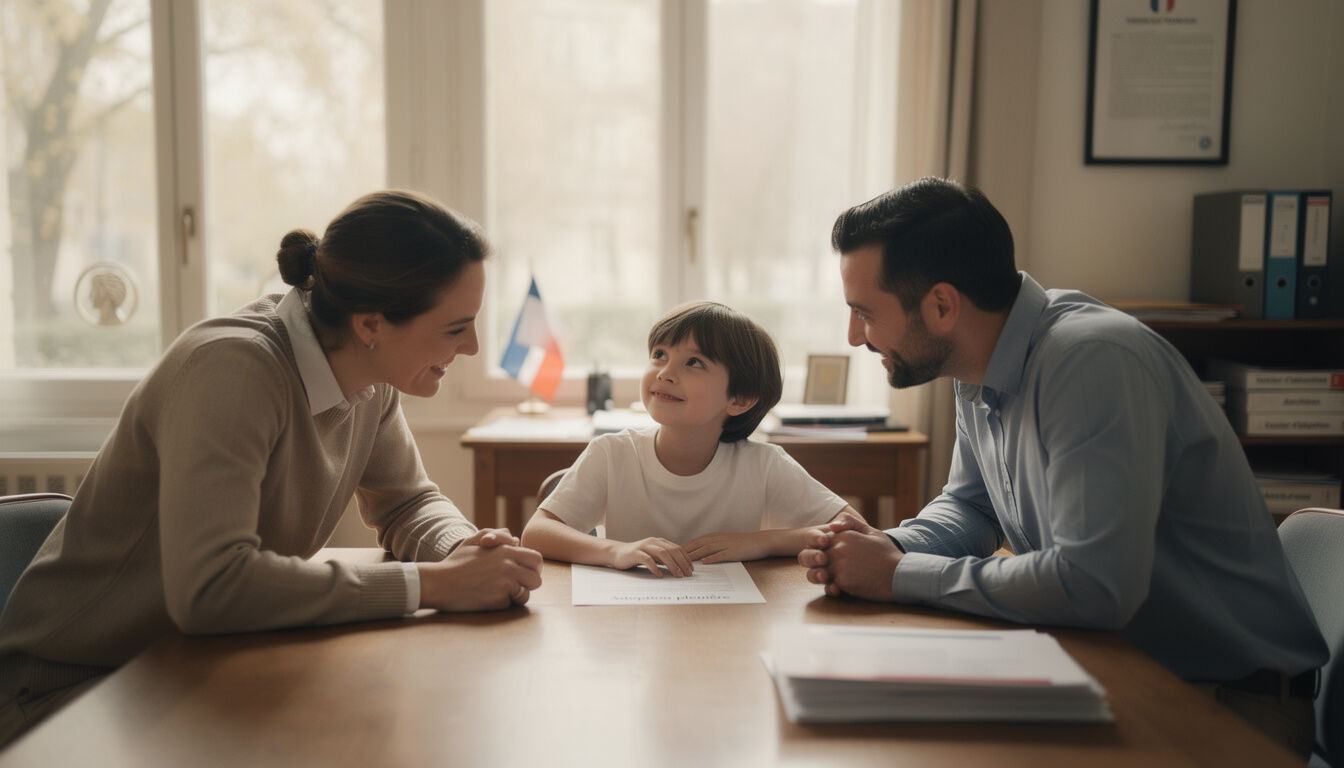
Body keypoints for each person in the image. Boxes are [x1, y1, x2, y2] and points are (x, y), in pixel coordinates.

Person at [798, 177, 1328, 753]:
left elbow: (1093, 584)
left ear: (943, 306)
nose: (854, 338)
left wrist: (899, 577)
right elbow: (971, 506)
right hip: (1121, 668)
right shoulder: (980, 362)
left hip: (1227, 705)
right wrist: (886, 549)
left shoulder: (1091, 360)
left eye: (864, 313)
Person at [0, 190, 543, 748]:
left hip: (189, 663)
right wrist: (433, 584)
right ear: (372, 324)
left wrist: (465, 550)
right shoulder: (232, 371)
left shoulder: (371, 379)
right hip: (71, 692)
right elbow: (212, 587)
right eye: (457, 328)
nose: (475, 347)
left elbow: (407, 501)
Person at [521, 301, 854, 576]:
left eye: (694, 362)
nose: (665, 372)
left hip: (733, 623)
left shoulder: (764, 464)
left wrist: (759, 542)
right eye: (659, 355)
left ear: (739, 398)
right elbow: (536, 533)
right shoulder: (612, 453)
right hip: (628, 623)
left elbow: (852, 529)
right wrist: (616, 550)